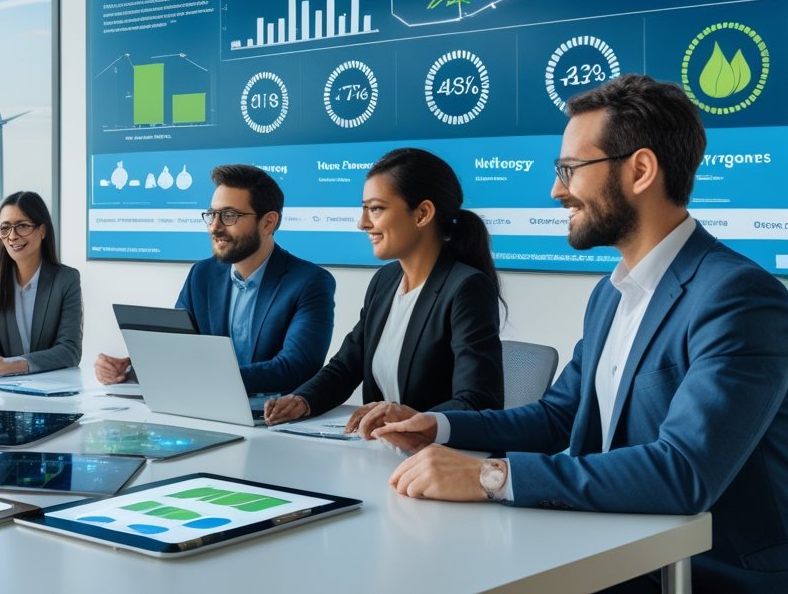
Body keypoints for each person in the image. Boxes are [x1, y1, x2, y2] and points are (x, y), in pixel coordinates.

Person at [374, 74, 788, 592]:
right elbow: (559, 414)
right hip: (611, 543)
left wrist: (489, 477)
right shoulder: (610, 294)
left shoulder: (738, 296)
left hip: (703, 569)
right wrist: (439, 427)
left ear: (640, 170)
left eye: (570, 169)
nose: (556, 190)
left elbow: (684, 473)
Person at [263, 148, 503, 432]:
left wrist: (407, 419)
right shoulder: (385, 281)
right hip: (381, 452)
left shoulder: (465, 287)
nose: (362, 223)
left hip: (436, 459)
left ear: (422, 213)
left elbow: (478, 400)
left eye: (375, 208)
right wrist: (303, 399)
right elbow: (347, 366)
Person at [95, 164, 335, 395]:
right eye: (212, 215)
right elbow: (178, 350)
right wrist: (128, 369)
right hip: (204, 407)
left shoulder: (310, 282)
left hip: (271, 419)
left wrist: (207, 378)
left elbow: (295, 367)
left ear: (268, 223)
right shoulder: (201, 274)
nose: (214, 227)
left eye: (229, 215)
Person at [0, 191, 82, 376]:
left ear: (42, 231)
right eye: (5, 228)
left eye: (22, 226)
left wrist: (17, 365)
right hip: (4, 391)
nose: (12, 236)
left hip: (55, 391)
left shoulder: (66, 280)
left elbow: (69, 351)